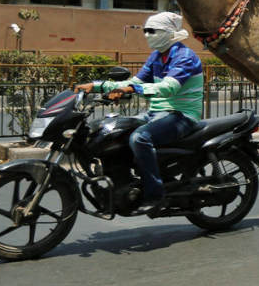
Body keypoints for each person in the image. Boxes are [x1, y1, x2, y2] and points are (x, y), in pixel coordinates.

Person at [74, 12, 204, 214]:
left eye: (153, 31)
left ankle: (155, 194)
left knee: (140, 138)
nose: (148, 35)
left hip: (181, 114)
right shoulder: (157, 56)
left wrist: (132, 90)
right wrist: (96, 86)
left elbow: (168, 88)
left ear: (169, 33)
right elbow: (133, 83)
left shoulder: (185, 57)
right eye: (146, 31)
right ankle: (123, 183)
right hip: (156, 113)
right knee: (115, 131)